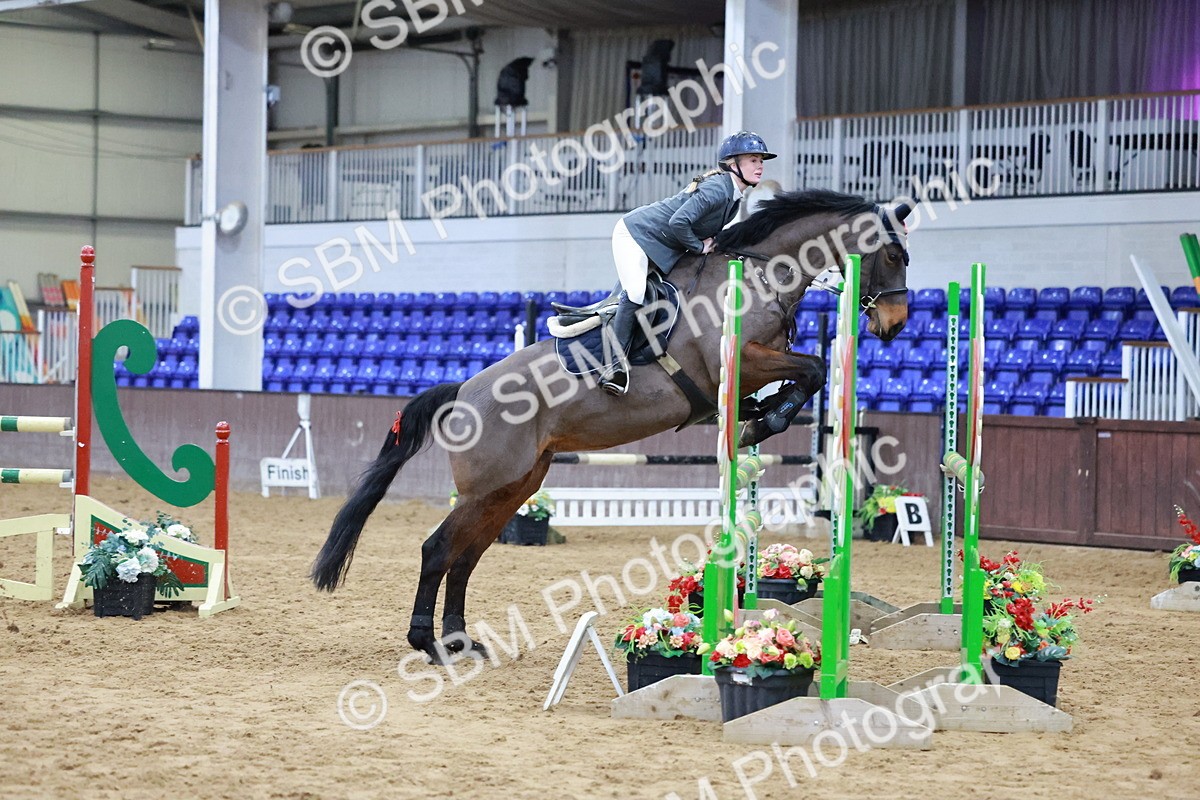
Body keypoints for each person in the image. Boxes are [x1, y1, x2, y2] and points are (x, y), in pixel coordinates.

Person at [601, 130, 775, 395]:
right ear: (733, 163)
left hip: (663, 244)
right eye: (753, 159)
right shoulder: (718, 190)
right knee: (635, 292)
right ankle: (613, 366)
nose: (760, 165)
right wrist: (698, 246)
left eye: (761, 160)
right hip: (635, 234)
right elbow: (678, 222)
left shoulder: (732, 200)